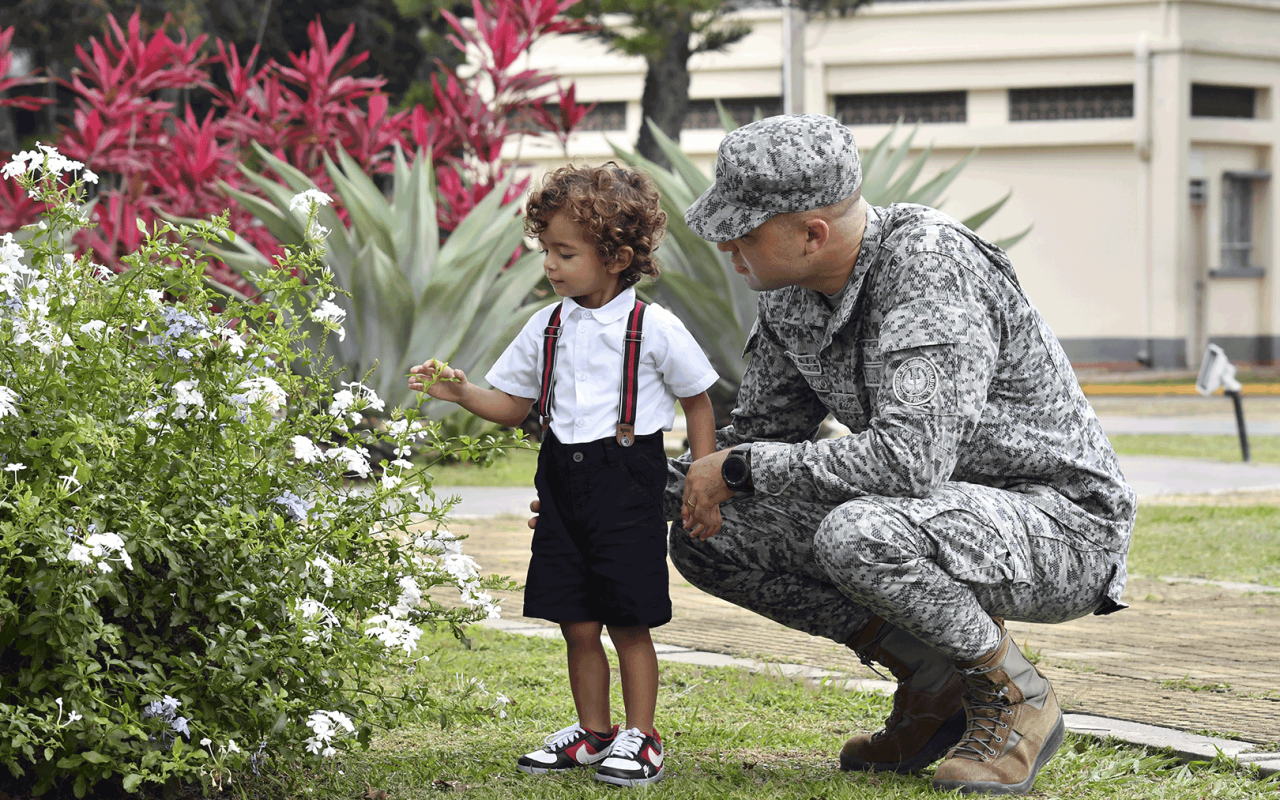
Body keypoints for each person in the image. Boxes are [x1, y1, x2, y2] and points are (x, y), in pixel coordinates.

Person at [664, 114, 1136, 795]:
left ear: (812, 232)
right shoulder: (792, 291)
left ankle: (1017, 697)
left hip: (1060, 523)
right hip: (932, 512)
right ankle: (935, 682)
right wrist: (614, 493)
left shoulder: (931, 266)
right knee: (711, 534)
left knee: (859, 534)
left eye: (744, 229)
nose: (725, 244)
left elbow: (909, 462)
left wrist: (738, 468)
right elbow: (761, 435)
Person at [409, 163, 719, 788]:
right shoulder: (546, 326)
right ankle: (594, 733)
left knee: (628, 618)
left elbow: (699, 401)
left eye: (564, 252)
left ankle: (643, 736)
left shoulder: (653, 328)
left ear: (617, 256)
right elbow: (514, 405)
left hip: (627, 478)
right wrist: (463, 392)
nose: (549, 264)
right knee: (576, 620)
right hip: (561, 482)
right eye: (545, 249)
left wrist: (703, 479)